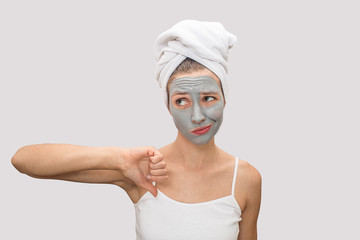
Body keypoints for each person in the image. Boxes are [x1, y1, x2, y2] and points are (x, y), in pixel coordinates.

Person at [11, 20, 261, 240]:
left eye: (208, 98)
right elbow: (23, 160)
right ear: (168, 106)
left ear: (225, 99)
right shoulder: (143, 170)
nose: (197, 116)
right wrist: (118, 160)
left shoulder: (246, 179)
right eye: (181, 101)